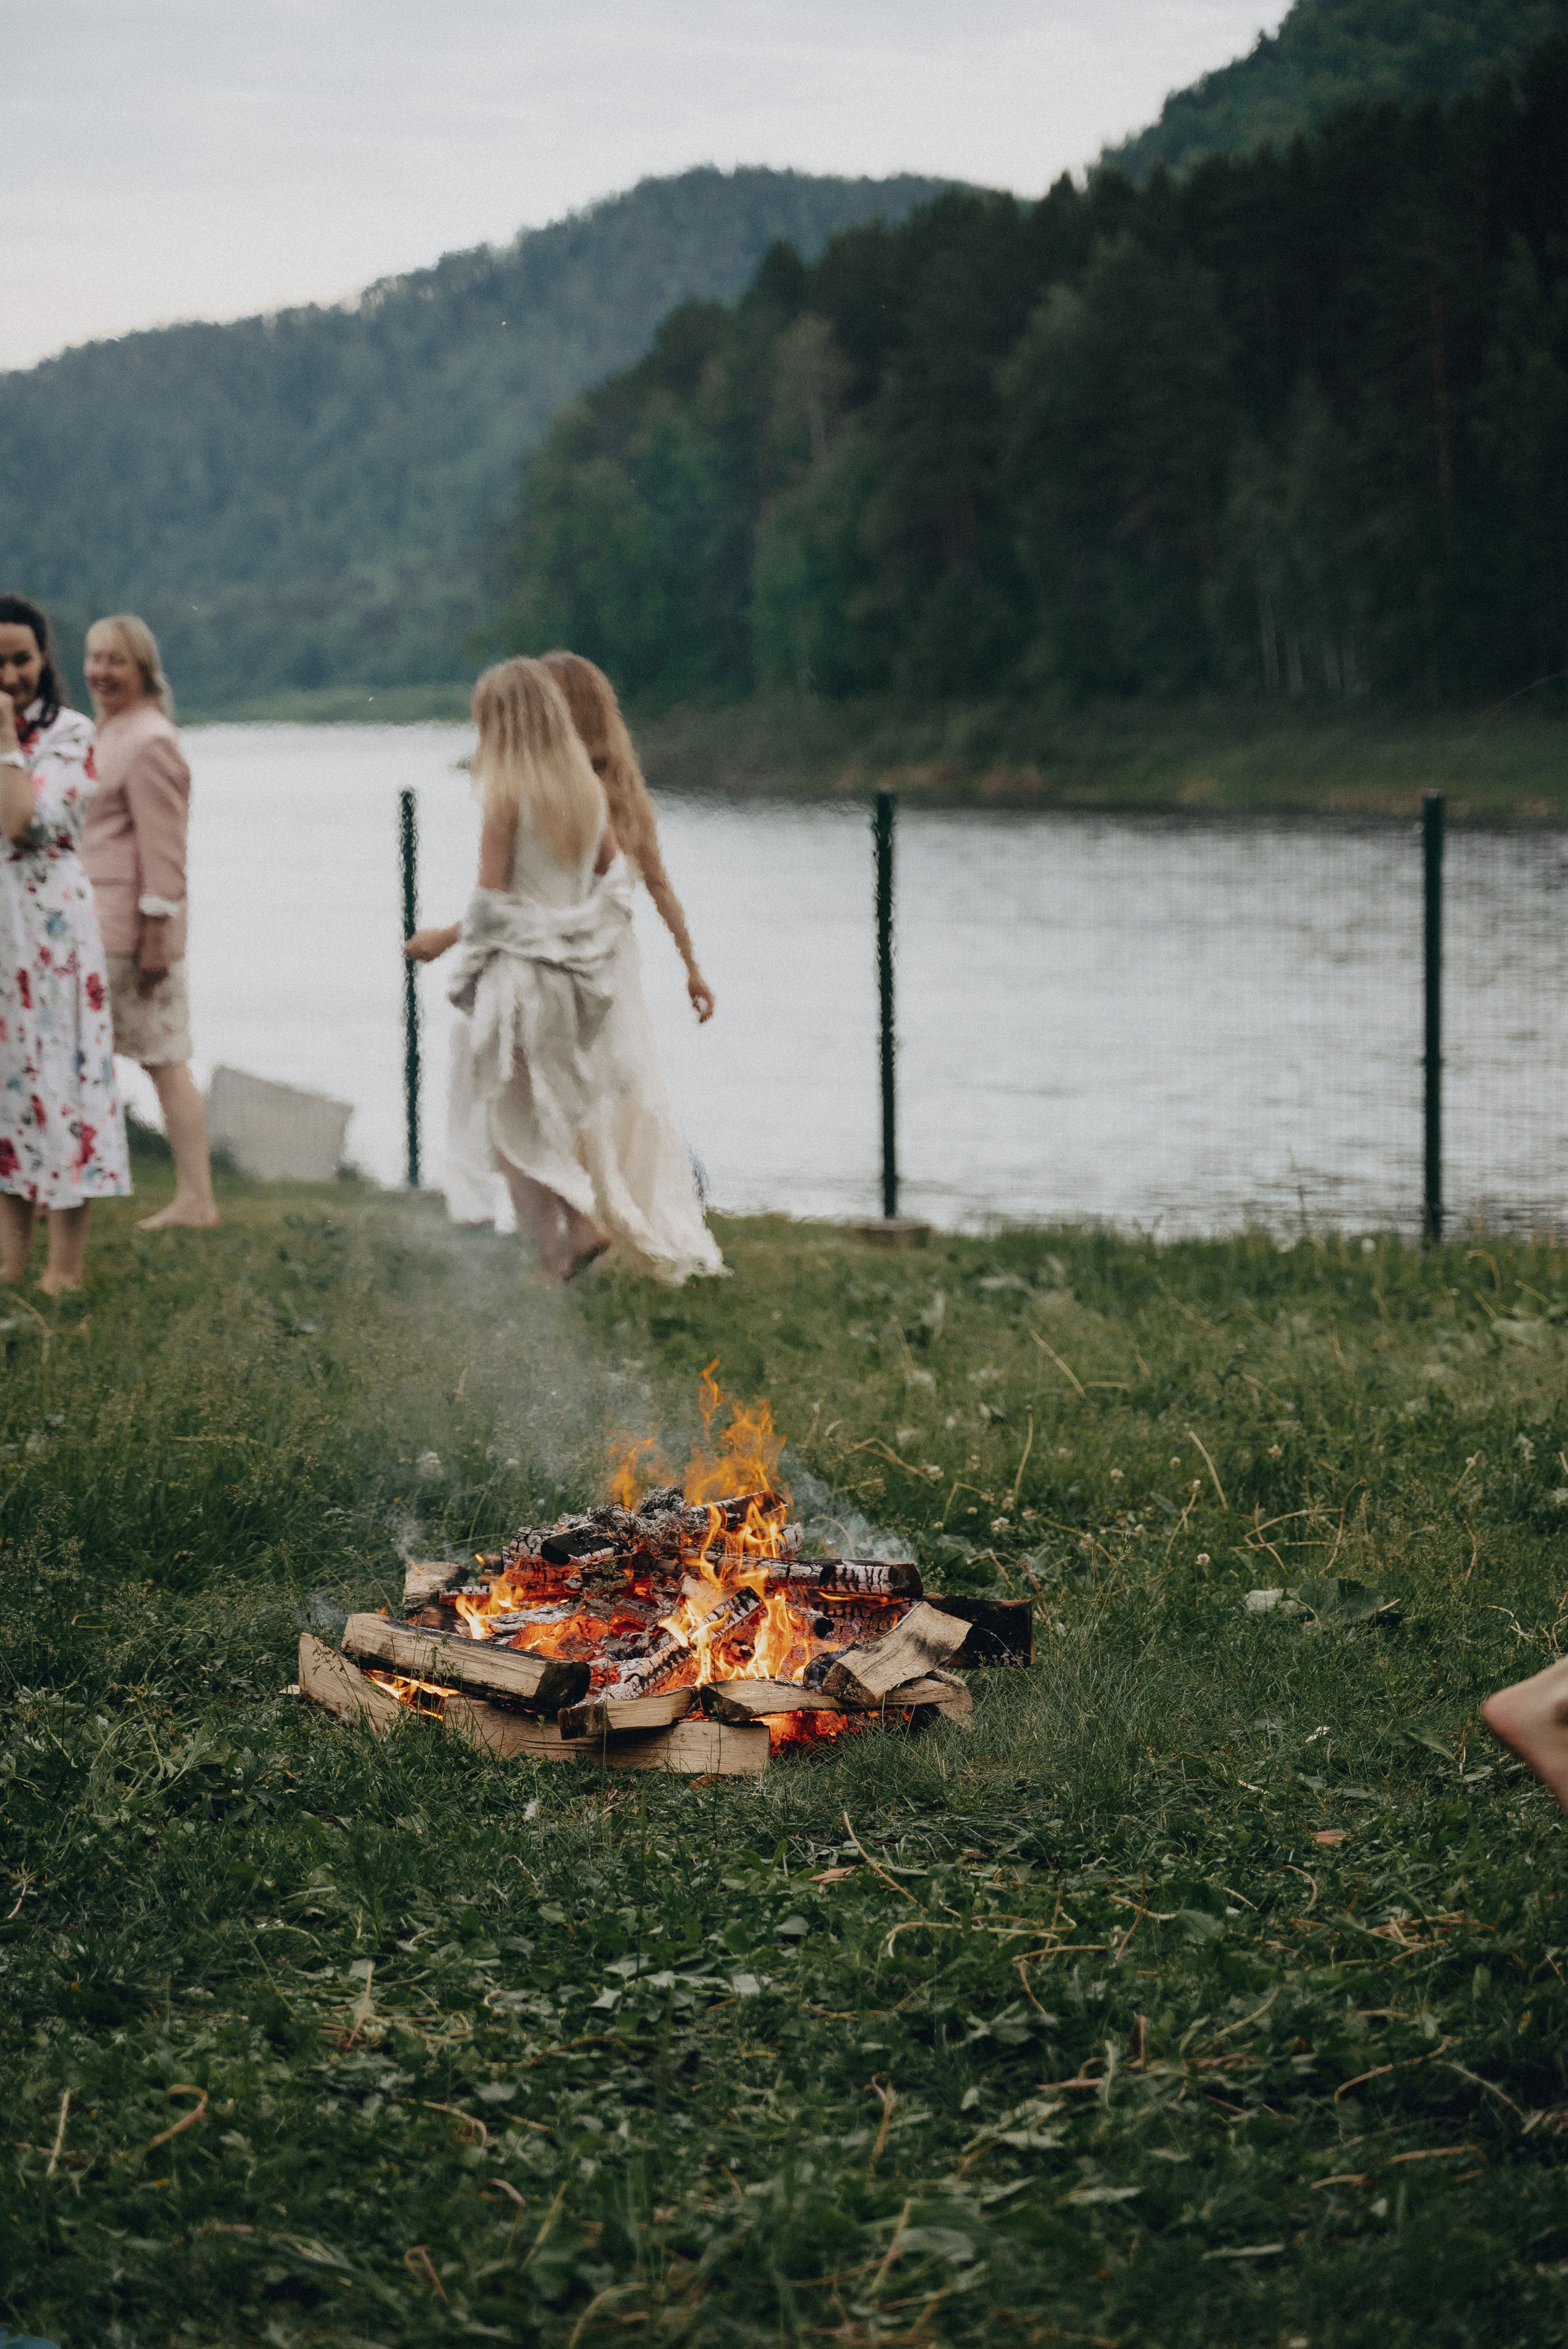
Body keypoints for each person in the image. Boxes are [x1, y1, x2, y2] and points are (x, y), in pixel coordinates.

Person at [405, 656, 722, 1285]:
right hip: (574, 982)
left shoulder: (505, 798)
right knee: (560, 1110)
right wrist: (579, 939)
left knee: (508, 1118)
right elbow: (615, 886)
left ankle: (567, 1237)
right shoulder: (588, 795)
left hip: (518, 983)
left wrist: (443, 942)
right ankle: (571, 1234)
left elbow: (491, 900)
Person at [0, 592, 130, 1291]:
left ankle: (64, 1269)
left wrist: (2, 737)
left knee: (62, 1082)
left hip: (47, 936)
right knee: (5, 1090)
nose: (10, 675)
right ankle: (9, 1262)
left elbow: (22, 824)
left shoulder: (72, 734)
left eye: (20, 659)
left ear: (43, 659)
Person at [80, 614, 218, 1230]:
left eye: (117, 661)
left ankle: (197, 1198)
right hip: (94, 924)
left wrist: (157, 929)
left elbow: (165, 846)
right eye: (95, 658)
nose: (102, 672)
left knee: (164, 1058)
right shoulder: (108, 732)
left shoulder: (149, 740)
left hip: (129, 931)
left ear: (142, 670)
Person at [540, 649, 715, 1024]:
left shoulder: (544, 796)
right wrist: (692, 968)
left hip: (551, 960)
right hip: (610, 962)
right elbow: (659, 884)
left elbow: (513, 896)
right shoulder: (626, 793)